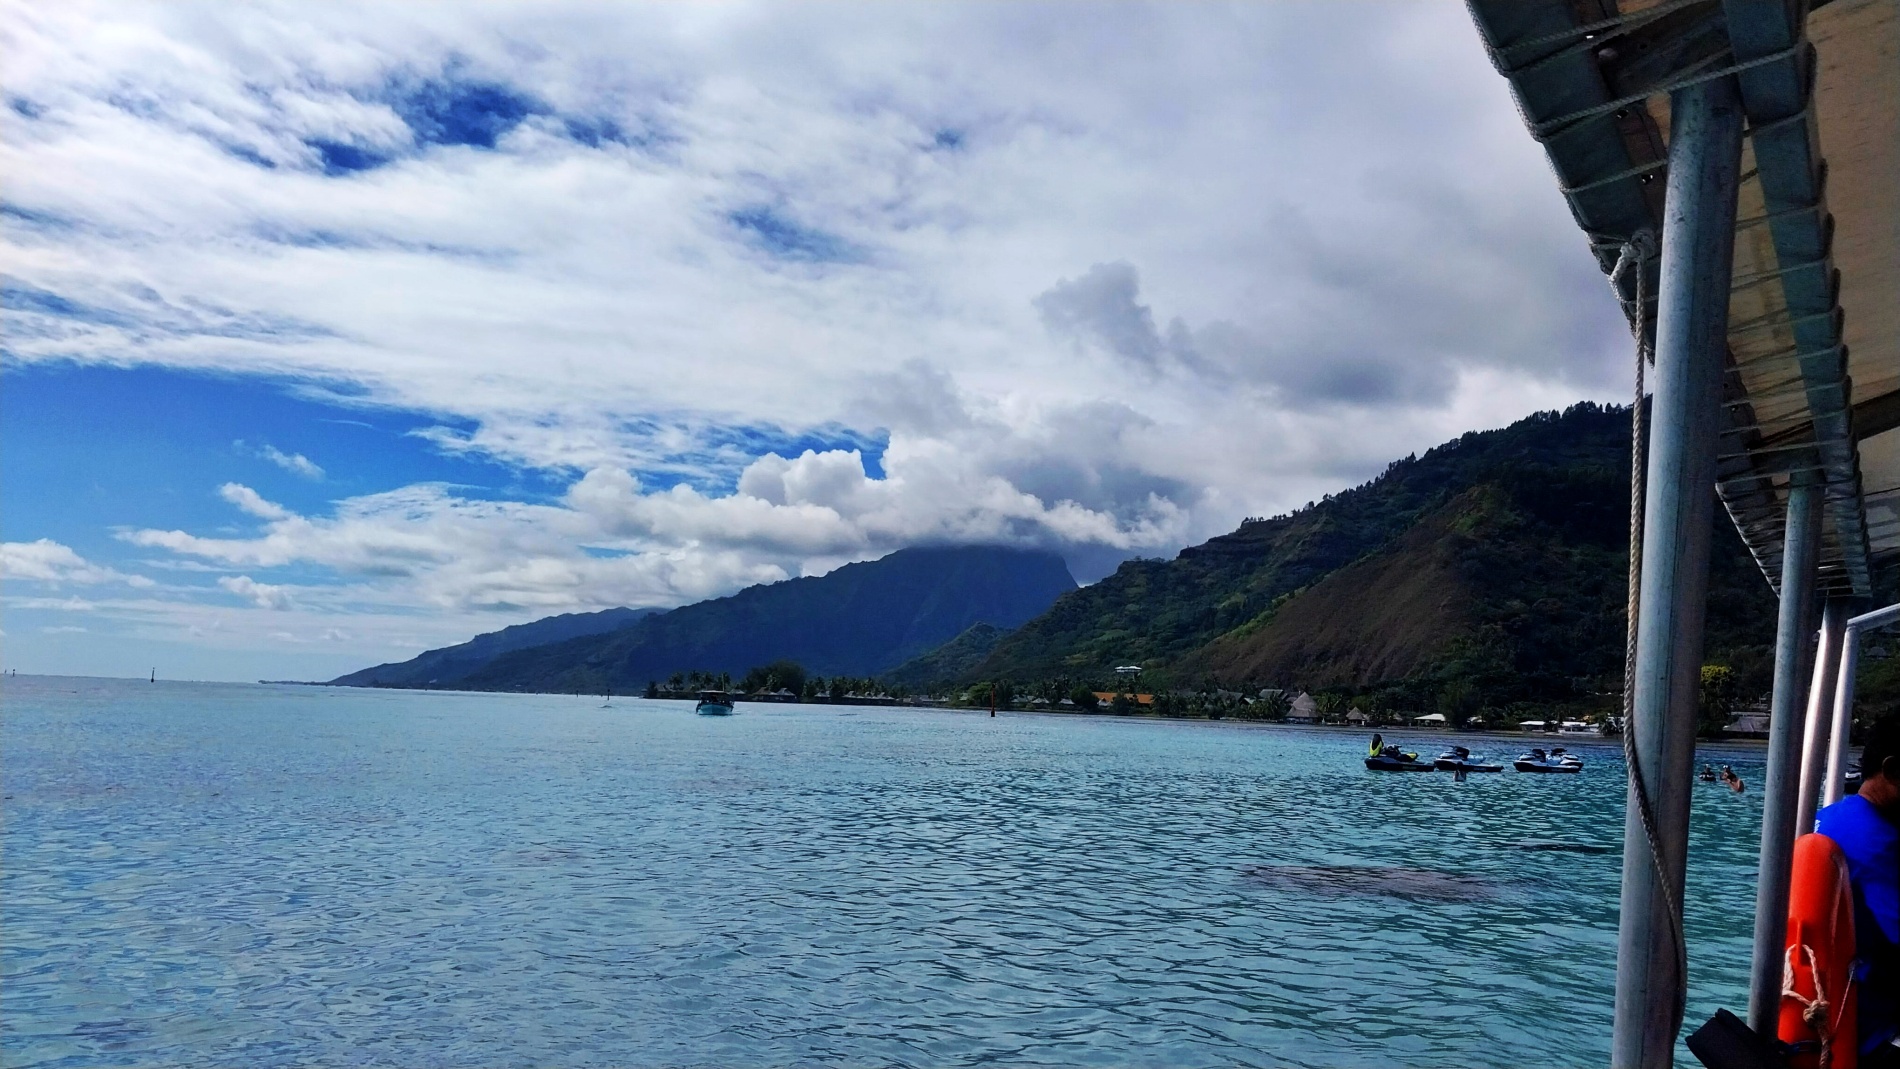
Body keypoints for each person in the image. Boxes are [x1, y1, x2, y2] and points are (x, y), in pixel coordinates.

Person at [1816, 714, 1900, 1066]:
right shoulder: (1881, 846)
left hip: (1822, 1021)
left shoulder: (1831, 817)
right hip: (1867, 1036)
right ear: (1892, 770)